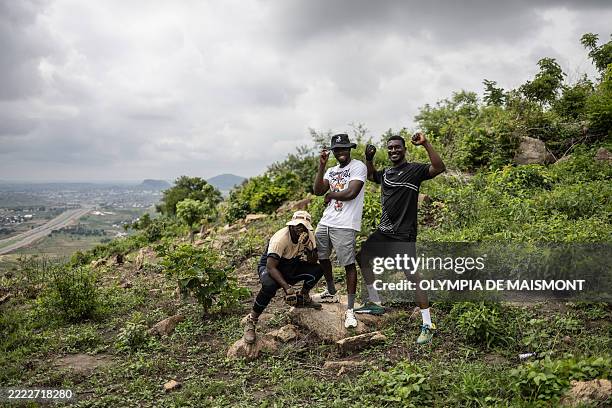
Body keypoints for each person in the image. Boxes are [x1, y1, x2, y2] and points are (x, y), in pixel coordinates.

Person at [356, 132, 445, 344]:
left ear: (404, 149)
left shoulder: (414, 170)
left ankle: (427, 324)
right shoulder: (386, 172)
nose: (394, 150)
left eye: (397, 147)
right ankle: (375, 302)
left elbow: (439, 167)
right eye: (390, 148)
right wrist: (368, 159)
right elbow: (371, 176)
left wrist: (426, 143)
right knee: (362, 258)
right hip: (384, 231)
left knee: (412, 276)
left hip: (403, 234)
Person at [244, 211, 323, 344]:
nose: (300, 229)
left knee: (318, 269)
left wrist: (308, 246)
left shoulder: (309, 236)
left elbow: (312, 262)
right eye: (297, 226)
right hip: (271, 267)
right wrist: (287, 287)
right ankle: (251, 320)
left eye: (303, 227)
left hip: (291, 265)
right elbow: (271, 267)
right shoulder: (280, 238)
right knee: (270, 286)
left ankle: (303, 298)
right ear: (291, 226)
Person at [313, 133, 367, 329]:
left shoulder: (358, 166)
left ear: (349, 149)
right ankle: (331, 291)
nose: (340, 152)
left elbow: (352, 192)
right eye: (337, 150)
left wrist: (331, 195)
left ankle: (350, 309)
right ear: (333, 152)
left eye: (344, 148)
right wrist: (321, 166)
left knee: (348, 263)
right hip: (327, 221)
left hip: (345, 224)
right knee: (321, 255)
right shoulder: (332, 170)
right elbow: (318, 190)